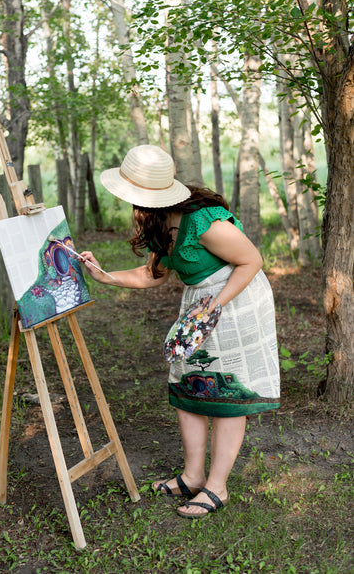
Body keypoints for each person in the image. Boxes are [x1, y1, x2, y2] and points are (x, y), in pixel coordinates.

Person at [81, 145, 280, 519]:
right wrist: (103, 276)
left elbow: (252, 260)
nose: (131, 204)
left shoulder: (203, 220)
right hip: (201, 304)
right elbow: (151, 274)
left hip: (235, 299)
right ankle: (192, 476)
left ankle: (216, 487)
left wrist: (215, 303)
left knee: (225, 388)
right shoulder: (158, 221)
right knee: (187, 379)